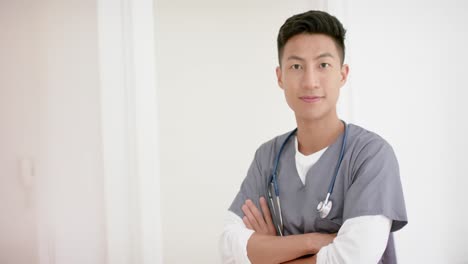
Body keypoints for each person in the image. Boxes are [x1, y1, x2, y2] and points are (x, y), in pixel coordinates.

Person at [219, 10, 408, 264]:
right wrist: (314, 242)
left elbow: (353, 258)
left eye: (323, 65)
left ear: (342, 74)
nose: (310, 81)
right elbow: (228, 249)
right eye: (296, 66)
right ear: (280, 77)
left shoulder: (371, 156)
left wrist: (271, 250)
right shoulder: (267, 157)